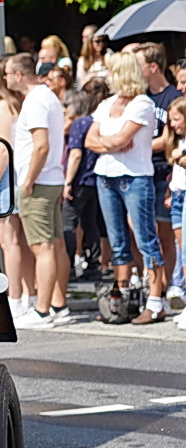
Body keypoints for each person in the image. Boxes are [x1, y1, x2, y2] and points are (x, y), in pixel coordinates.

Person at [86, 50, 166, 324]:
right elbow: (90, 140)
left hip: (134, 177)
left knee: (146, 240)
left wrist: (106, 142)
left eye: (112, 70)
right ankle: (119, 302)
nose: (109, 76)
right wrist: (111, 144)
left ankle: (155, 301)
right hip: (106, 176)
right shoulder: (107, 103)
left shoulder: (142, 104)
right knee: (117, 241)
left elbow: (122, 139)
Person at [5, 51, 71, 326]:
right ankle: (58, 305)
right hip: (51, 178)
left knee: (42, 247)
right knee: (55, 244)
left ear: (19, 75)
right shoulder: (48, 96)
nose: (6, 78)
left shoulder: (35, 100)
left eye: (8, 73)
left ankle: (42, 310)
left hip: (40, 181)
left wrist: (28, 180)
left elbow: (41, 145)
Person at [0, 55, 37, 318]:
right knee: (18, 240)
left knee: (9, 240)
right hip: (9, 172)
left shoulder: (3, 106)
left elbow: (4, 146)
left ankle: (15, 297)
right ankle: (28, 294)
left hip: (3, 173)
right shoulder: (13, 104)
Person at [135, 41, 179, 299]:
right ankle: (148, 283)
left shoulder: (173, 96)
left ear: (153, 67)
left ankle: (164, 288)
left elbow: (167, 138)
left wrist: (135, 146)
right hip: (140, 171)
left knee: (164, 234)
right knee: (139, 231)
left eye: (139, 64)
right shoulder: (140, 97)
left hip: (163, 170)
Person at [62, 90, 100, 279]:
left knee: (68, 223)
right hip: (94, 181)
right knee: (90, 223)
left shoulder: (79, 124)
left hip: (79, 180)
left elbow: (76, 154)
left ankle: (67, 266)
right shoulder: (95, 122)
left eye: (67, 106)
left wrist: (68, 181)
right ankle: (94, 265)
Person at [166, 96, 186, 329]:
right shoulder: (177, 140)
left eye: (177, 119)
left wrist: (180, 156)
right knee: (182, 252)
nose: (172, 124)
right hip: (178, 195)